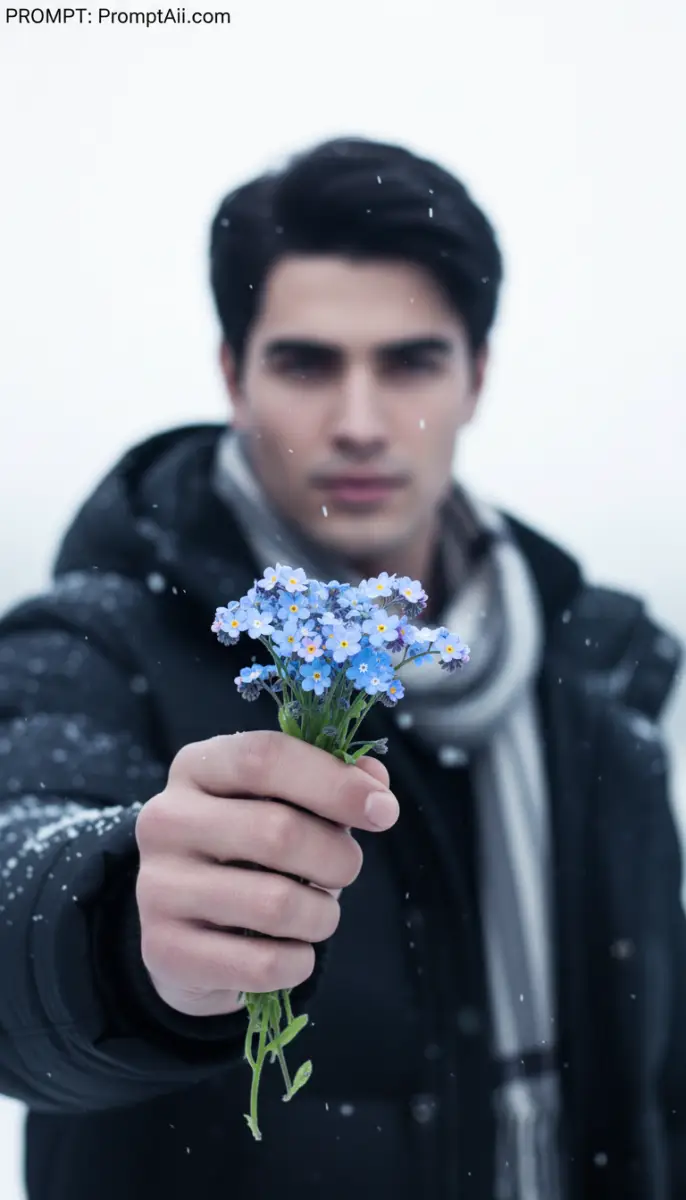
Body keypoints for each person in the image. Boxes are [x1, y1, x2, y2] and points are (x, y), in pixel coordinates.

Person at [0, 136, 683, 1200]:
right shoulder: (95, 640)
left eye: (409, 360)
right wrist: (117, 933)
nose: (359, 424)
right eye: (306, 363)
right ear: (232, 375)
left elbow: (654, 1074)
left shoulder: (594, 676)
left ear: (477, 376)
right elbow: (21, 861)